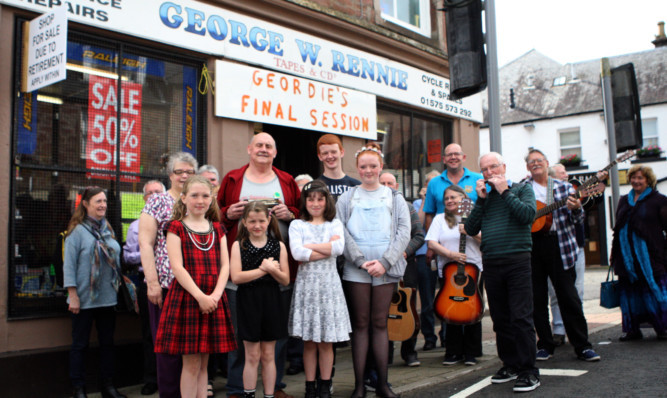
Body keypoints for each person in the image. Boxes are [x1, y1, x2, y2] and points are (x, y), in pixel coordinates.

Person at [217, 132, 299, 398]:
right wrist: (227, 213)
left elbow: (303, 214)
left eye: (269, 146)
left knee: (276, 335)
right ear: (249, 149)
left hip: (278, 267)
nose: (263, 149)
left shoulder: (286, 180)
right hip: (241, 265)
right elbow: (216, 215)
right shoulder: (232, 178)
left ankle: (274, 388)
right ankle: (237, 387)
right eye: (259, 145)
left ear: (275, 152)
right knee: (241, 333)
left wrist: (291, 214)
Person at [336, 143, 411, 398]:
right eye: (363, 167)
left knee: (380, 324)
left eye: (373, 166)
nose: (368, 170)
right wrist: (359, 260)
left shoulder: (395, 197)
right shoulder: (347, 198)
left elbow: (403, 232)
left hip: (385, 269)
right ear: (357, 168)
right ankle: (359, 386)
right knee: (360, 325)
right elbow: (340, 231)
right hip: (356, 269)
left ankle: (382, 384)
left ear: (381, 167)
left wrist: (385, 262)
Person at [464, 152, 540, 393]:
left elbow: (527, 216)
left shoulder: (521, 189)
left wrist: (505, 191)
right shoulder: (484, 198)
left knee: (521, 317)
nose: (489, 173)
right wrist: (481, 199)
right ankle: (510, 365)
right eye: (484, 169)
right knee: (500, 319)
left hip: (517, 260)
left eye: (493, 167)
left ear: (504, 167)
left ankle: (529, 371)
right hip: (493, 262)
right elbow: (470, 227)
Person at [155, 176, 236, 398]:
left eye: (205, 196)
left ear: (211, 199)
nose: (199, 200)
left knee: (203, 365)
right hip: (188, 298)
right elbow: (178, 268)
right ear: (183, 198)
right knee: (190, 365)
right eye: (194, 195)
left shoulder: (218, 228)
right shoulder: (176, 227)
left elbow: (226, 265)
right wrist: (201, 296)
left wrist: (216, 295)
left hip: (213, 298)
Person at [523, 149, 600, 363]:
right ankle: (545, 345)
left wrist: (576, 209)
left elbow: (577, 221)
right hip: (532, 246)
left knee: (569, 297)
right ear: (527, 167)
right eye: (531, 162)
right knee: (537, 299)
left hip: (559, 245)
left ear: (547, 163)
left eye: (539, 160)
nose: (536, 163)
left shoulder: (564, 188)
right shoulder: (522, 189)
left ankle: (583, 346)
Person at [140, 151, 199, 398]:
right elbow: (145, 243)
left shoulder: (199, 201)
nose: (184, 176)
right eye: (179, 172)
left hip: (196, 287)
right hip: (166, 286)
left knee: (194, 349)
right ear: (170, 175)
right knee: (167, 349)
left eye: (189, 172)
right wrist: (152, 283)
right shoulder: (157, 202)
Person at [288, 180, 351, 398]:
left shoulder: (334, 223)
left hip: (329, 288)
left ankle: (325, 384)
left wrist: (310, 247)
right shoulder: (298, 225)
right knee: (310, 341)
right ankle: (309, 386)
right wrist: (326, 248)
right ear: (304, 202)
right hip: (307, 287)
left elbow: (339, 248)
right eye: (310, 199)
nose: (315, 203)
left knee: (326, 341)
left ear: (327, 201)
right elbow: (297, 254)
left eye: (320, 199)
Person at [63, 186, 126, 398]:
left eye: (105, 201)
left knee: (107, 344)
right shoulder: (77, 232)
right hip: (83, 299)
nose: (103, 205)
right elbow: (69, 265)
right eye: (98, 201)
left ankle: (108, 387)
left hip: (107, 298)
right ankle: (78, 389)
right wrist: (72, 295)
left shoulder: (107, 229)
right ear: (86, 204)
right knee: (79, 345)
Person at [230, 202, 291, 398]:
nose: (257, 225)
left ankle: (269, 395)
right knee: (252, 355)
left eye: (261, 221)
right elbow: (237, 277)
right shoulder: (238, 245)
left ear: (269, 221)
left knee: (268, 354)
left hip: (272, 302)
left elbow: (285, 278)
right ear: (245, 223)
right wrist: (263, 270)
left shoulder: (278, 246)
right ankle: (248, 394)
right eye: (252, 221)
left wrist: (273, 270)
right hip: (248, 302)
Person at [426, 185, 483, 366]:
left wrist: (470, 232)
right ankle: (453, 351)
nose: (450, 201)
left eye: (453, 197)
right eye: (447, 199)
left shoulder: (475, 216)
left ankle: (472, 352)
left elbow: (486, 239)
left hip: (473, 269)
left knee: (472, 307)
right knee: (450, 308)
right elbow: (431, 243)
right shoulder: (439, 218)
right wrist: (451, 255)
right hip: (449, 270)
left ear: (464, 198)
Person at [610, 165, 667, 341]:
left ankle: (662, 328)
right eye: (633, 178)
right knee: (629, 294)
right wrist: (614, 253)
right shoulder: (623, 200)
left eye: (640, 178)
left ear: (648, 180)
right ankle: (632, 330)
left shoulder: (659, 200)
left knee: (655, 291)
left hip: (651, 257)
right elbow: (618, 226)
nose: (636, 181)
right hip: (626, 258)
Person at [122, 180, 165, 396]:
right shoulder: (135, 226)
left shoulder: (173, 220)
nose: (155, 196)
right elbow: (128, 256)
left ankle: (172, 377)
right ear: (144, 198)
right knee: (150, 333)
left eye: (159, 192)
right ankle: (151, 379)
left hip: (172, 282)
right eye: (151, 193)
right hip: (146, 281)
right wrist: (150, 251)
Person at [379, 172, 425, 367]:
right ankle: (385, 354)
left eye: (390, 183)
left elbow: (419, 235)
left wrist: (403, 253)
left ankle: (410, 353)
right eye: (383, 183)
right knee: (384, 309)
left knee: (409, 307)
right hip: (381, 266)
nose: (387, 186)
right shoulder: (373, 208)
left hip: (406, 265)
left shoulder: (406, 207)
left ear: (396, 185)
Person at [546, 164, 585, 346]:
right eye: (563, 173)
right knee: (552, 294)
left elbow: (579, 218)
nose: (566, 175)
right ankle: (558, 331)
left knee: (573, 293)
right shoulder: (531, 189)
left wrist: (577, 207)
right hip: (544, 248)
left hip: (570, 247)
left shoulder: (569, 190)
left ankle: (579, 338)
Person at [414, 170, 445, 350]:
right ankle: (429, 337)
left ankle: (446, 335)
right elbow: (418, 224)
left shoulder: (444, 203)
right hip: (424, 256)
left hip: (443, 254)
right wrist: (425, 201)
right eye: (429, 184)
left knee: (445, 296)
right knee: (426, 300)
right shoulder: (419, 203)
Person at [423, 143, 483, 232]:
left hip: (473, 236)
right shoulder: (434, 183)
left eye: (457, 154)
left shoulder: (478, 179)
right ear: (444, 159)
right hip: (443, 238)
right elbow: (429, 214)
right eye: (449, 155)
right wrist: (431, 241)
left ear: (464, 157)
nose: (453, 157)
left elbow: (487, 209)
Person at [316, 134, 360, 199]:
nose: (330, 156)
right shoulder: (315, 187)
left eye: (333, 152)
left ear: (342, 152)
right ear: (320, 156)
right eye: (325, 153)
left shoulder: (356, 186)